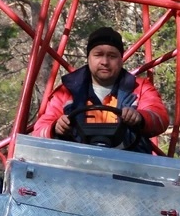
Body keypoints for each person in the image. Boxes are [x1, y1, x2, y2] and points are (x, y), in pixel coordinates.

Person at [32, 26, 170, 153]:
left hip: (127, 164)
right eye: (98, 55)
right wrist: (55, 127)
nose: (105, 62)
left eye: (112, 56)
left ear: (121, 60)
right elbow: (39, 131)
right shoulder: (67, 90)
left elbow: (160, 118)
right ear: (88, 58)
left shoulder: (139, 88)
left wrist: (141, 117)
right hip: (76, 163)